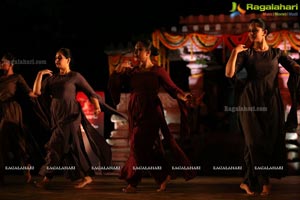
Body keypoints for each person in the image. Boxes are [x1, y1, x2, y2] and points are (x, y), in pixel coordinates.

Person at [108, 39, 197, 193]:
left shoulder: (158, 71)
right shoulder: (133, 71)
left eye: (139, 50)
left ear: (148, 52)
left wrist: (184, 97)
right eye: (135, 50)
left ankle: (132, 182)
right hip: (135, 111)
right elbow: (115, 84)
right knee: (147, 148)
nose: (136, 53)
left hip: (151, 111)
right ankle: (164, 175)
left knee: (136, 143)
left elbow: (173, 88)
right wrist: (117, 72)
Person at [225, 18, 300, 196]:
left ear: (264, 33)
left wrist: (297, 68)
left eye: (255, 30)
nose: (251, 33)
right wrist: (234, 52)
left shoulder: (276, 54)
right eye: (249, 30)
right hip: (249, 102)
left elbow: (295, 68)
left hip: (271, 102)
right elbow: (229, 74)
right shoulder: (246, 53)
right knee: (253, 141)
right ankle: (264, 181)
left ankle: (247, 181)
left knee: (268, 142)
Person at [33, 48, 112, 189]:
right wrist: (40, 74)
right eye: (56, 58)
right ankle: (87, 176)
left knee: (54, 144)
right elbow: (36, 92)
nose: (56, 60)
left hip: (71, 116)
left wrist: (96, 107)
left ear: (68, 60)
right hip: (57, 117)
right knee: (73, 147)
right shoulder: (52, 79)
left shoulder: (75, 76)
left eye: (60, 57)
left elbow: (91, 92)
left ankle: (46, 178)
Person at [0, 52, 35, 186]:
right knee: (4, 144)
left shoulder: (16, 77)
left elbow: (29, 91)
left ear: (11, 64)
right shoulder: (1, 78)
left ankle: (26, 169)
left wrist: (37, 92)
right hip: (1, 110)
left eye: (3, 61)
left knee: (16, 140)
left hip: (12, 111)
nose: (1, 64)